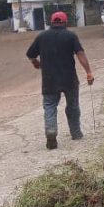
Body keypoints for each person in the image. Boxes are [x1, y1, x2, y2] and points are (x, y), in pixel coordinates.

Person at [25, 11, 95, 150]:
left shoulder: (42, 36)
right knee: (73, 106)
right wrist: (88, 72)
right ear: (65, 22)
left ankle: (51, 131)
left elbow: (30, 54)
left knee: (50, 106)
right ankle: (76, 133)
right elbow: (80, 54)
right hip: (69, 79)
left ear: (51, 22)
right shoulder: (70, 36)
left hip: (49, 80)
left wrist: (35, 62)